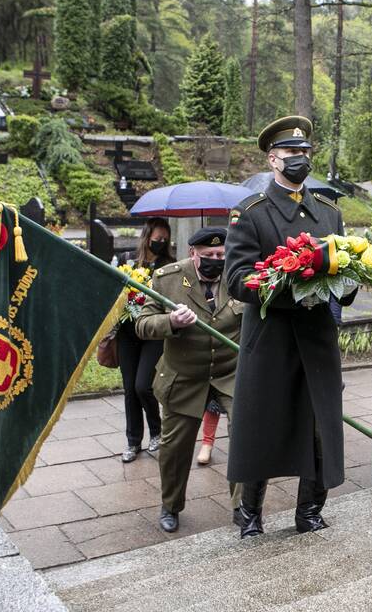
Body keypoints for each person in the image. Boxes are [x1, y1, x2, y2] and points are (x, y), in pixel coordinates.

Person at [224, 115, 357, 538]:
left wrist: (350, 280)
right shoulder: (251, 213)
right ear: (272, 159)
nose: (299, 159)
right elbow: (236, 279)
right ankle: (250, 511)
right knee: (263, 422)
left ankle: (310, 510)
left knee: (319, 423)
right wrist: (289, 280)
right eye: (291, 153)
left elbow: (344, 267)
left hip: (318, 336)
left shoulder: (329, 213)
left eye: (305, 152)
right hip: (272, 337)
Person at [133, 227, 242, 532]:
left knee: (246, 436)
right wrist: (171, 321)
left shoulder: (238, 274)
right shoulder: (168, 279)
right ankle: (170, 505)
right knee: (175, 447)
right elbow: (142, 324)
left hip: (229, 374)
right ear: (193, 253)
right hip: (184, 376)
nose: (216, 260)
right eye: (208, 256)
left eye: (221, 255)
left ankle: (243, 506)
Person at [116, 217, 174, 463]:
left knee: (143, 386)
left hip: (152, 331)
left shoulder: (170, 265)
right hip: (127, 331)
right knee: (130, 389)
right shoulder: (126, 260)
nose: (160, 243)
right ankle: (132, 441)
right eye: (156, 239)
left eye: (164, 240)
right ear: (146, 236)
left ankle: (156, 431)